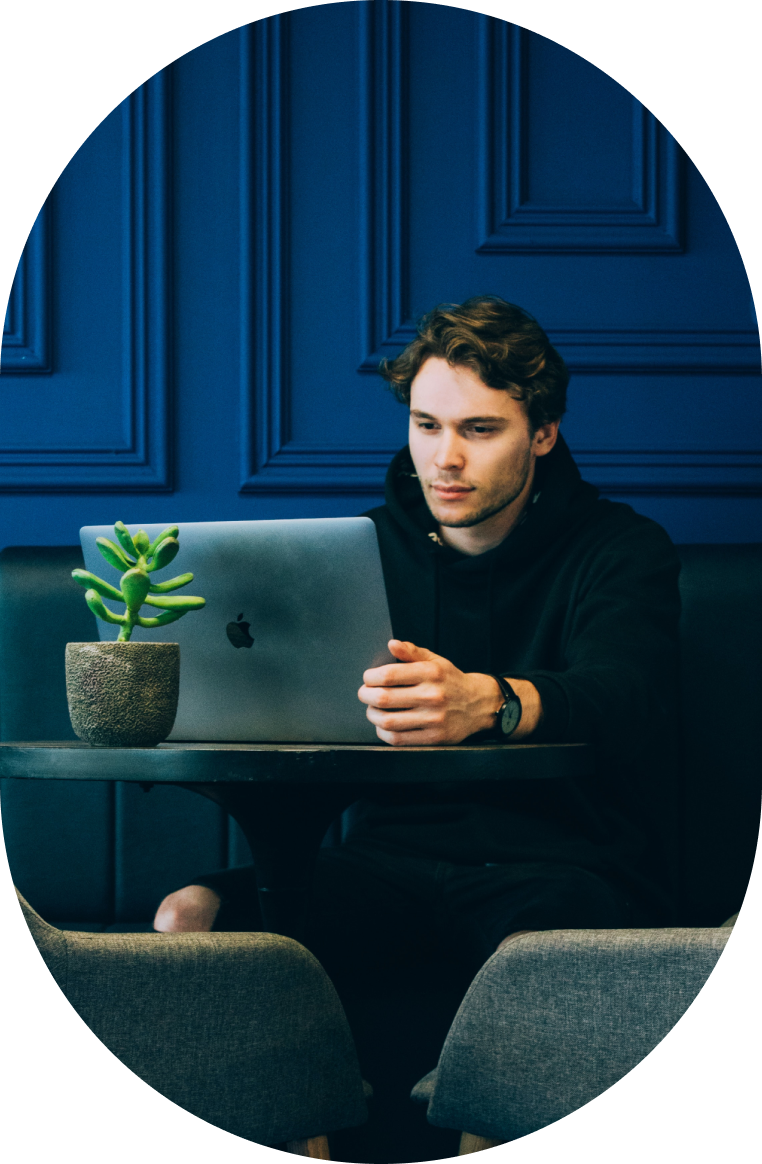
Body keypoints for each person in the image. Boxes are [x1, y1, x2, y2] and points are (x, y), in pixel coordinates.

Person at [154, 296, 681, 994]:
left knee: (546, 944)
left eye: (480, 429)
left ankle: (469, 1099)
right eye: (426, 425)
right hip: (385, 861)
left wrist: (489, 701)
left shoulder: (620, 547)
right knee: (186, 914)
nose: (446, 458)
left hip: (562, 865)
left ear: (544, 433)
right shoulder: (358, 551)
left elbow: (626, 692)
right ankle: (306, 1098)